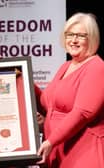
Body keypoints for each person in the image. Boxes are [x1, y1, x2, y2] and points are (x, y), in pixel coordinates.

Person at [37, 12, 104, 168]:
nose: (73, 40)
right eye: (70, 34)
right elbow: (48, 104)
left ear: (92, 38)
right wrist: (17, 75)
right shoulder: (66, 66)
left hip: (83, 152)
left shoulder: (97, 67)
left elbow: (82, 113)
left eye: (81, 36)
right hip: (58, 151)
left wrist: (51, 141)